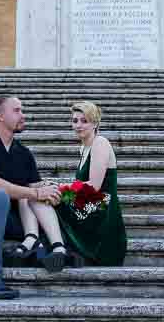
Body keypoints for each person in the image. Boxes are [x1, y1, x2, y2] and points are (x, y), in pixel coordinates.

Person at [0, 96, 65, 301]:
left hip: (11, 221)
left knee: (36, 195)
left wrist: (53, 192)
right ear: (0, 115)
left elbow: (36, 190)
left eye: (22, 110)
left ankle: (53, 246)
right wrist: (34, 192)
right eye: (17, 110)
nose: (23, 115)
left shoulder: (24, 153)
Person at [56, 101, 127, 267]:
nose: (78, 125)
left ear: (95, 123)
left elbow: (93, 187)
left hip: (103, 215)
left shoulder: (100, 143)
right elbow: (82, 191)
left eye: (84, 121)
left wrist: (61, 188)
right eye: (75, 121)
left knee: (52, 197)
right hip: (90, 207)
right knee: (47, 196)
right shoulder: (83, 148)